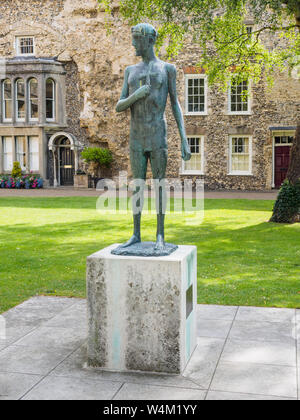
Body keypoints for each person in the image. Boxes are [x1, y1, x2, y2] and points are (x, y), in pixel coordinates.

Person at [116, 22, 191, 253]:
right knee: (137, 186)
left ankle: (160, 234)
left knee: (160, 186)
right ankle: (136, 234)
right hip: (137, 136)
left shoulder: (167, 69)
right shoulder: (130, 71)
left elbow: (176, 104)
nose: (132, 43)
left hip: (158, 134)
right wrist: (135, 96)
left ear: (149, 40)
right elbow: (119, 105)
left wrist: (184, 139)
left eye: (136, 39)